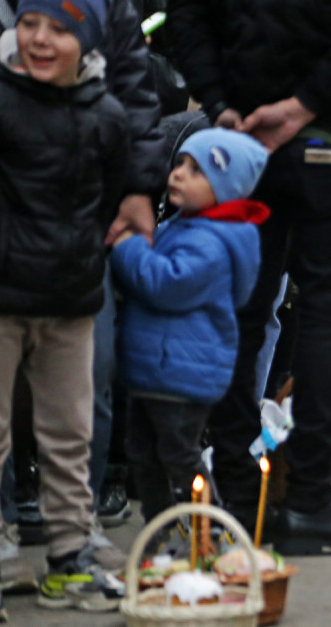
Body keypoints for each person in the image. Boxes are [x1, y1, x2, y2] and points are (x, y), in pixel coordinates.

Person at [168, 0, 331, 554]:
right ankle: (307, 497)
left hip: (248, 135)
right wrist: (304, 105)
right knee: (327, 312)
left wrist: (223, 105)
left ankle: (237, 494)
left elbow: (187, 11)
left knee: (243, 311)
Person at [0, 0, 130, 618]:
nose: (40, 38)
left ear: (86, 39)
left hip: (70, 301)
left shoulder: (106, 114)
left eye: (58, 27)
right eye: (29, 23)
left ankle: (68, 556)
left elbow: (106, 198)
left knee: (68, 434)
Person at [111, 128, 269, 525]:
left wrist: (127, 246)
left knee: (179, 457)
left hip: (181, 376)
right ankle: (161, 530)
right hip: (155, 371)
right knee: (144, 456)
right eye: (179, 163)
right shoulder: (182, 226)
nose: (179, 173)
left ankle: (209, 530)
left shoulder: (211, 243)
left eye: (197, 170)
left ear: (227, 189)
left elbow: (165, 284)